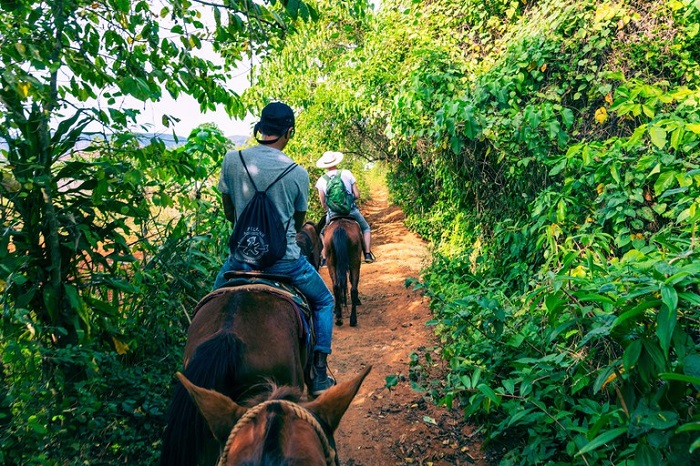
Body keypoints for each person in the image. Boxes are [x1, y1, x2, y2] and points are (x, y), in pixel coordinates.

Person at [213, 102, 336, 396]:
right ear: (289, 132)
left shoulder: (232, 161)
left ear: (259, 129)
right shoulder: (297, 173)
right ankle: (319, 374)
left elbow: (230, 213)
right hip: (285, 264)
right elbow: (297, 224)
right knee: (324, 302)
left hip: (239, 263)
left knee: (210, 303)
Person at [315, 151, 375, 264]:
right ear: (336, 162)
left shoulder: (321, 180)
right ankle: (367, 254)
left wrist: (330, 209)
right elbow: (357, 195)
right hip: (351, 211)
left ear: (325, 165)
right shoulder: (347, 173)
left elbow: (323, 203)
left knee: (322, 233)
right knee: (366, 228)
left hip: (333, 213)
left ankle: (324, 258)